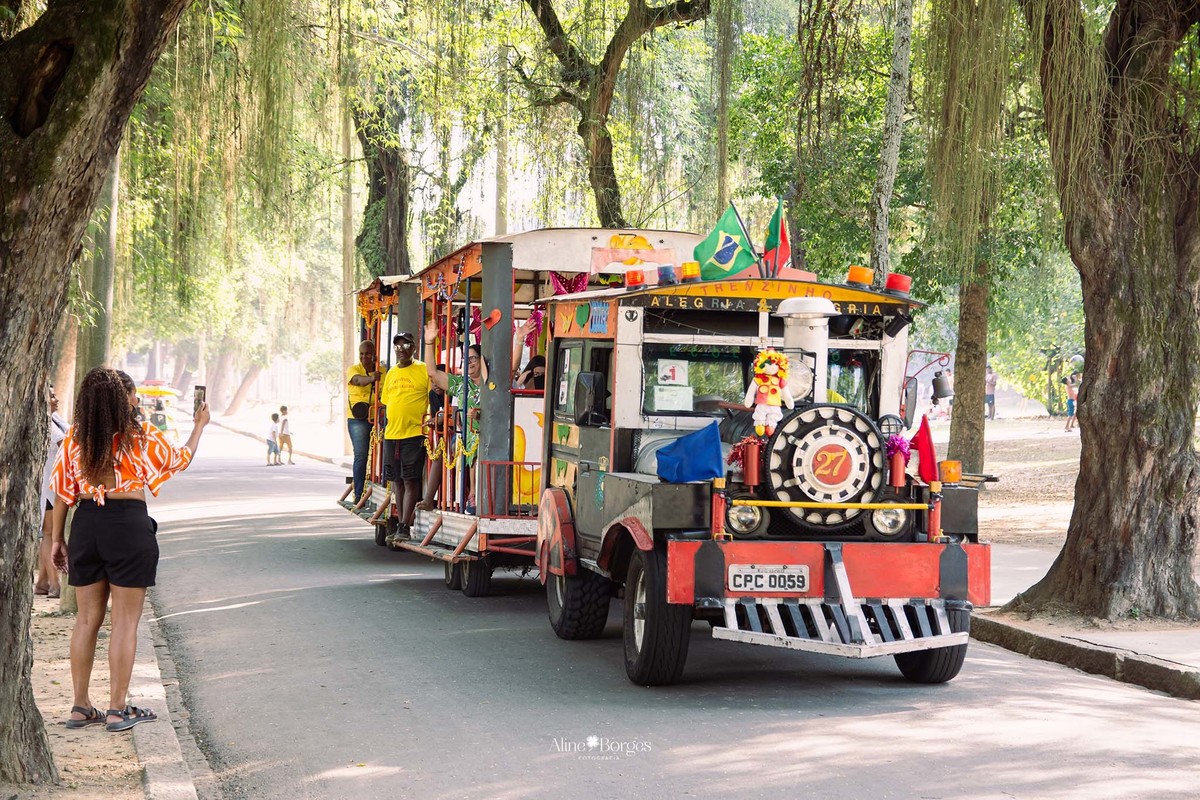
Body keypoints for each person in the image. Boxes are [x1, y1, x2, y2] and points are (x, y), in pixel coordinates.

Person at [49, 367, 209, 732]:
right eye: (133, 396)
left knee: (87, 620)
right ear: (125, 400)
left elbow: (62, 492)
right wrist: (199, 425)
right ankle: (118, 709)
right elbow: (180, 459)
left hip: (86, 524)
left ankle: (80, 706)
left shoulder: (75, 439)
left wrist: (58, 539)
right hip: (128, 524)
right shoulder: (141, 436)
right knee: (125, 621)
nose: (136, 401)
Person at [425, 322, 483, 512]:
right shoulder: (461, 384)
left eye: (474, 358)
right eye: (467, 358)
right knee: (471, 444)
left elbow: (513, 367)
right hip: (467, 436)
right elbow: (432, 373)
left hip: (492, 435)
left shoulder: (492, 383)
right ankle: (472, 495)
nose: (470, 362)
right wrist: (429, 343)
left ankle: (475, 494)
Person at [381, 331, 430, 542]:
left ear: (414, 348)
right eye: (398, 347)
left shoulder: (423, 370)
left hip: (414, 433)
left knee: (410, 479)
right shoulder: (391, 373)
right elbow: (386, 402)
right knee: (396, 481)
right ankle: (400, 521)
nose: (401, 350)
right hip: (392, 435)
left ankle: (404, 525)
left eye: (406, 346)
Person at [35, 385, 69, 598]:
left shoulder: (55, 417)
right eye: (51, 396)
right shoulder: (44, 422)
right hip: (48, 486)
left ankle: (43, 582)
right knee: (49, 534)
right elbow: (66, 443)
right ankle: (55, 583)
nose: (55, 399)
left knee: (49, 533)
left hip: (55, 484)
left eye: (56, 394)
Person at [346, 340, 382, 503]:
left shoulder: (383, 371)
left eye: (368, 353)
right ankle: (359, 493)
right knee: (361, 455)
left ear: (374, 354)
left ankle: (382, 487)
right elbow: (358, 381)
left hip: (378, 417)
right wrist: (372, 378)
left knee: (382, 454)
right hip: (358, 419)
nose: (364, 357)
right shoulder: (354, 370)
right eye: (361, 353)